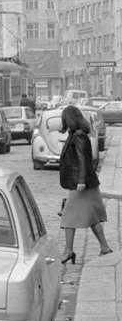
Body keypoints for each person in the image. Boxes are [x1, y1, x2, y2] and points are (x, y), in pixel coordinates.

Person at [58, 104, 113, 264]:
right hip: (86, 183)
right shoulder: (75, 133)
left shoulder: (79, 136)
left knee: (68, 216)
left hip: (82, 184)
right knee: (92, 217)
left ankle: (68, 251)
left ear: (70, 119)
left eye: (65, 120)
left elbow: (83, 160)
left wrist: (81, 181)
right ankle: (105, 248)